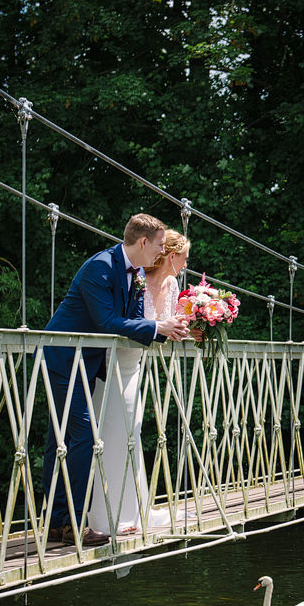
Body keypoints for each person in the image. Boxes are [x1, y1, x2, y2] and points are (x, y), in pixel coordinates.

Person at [41, 214, 188, 547]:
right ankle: (71, 526)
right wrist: (157, 328)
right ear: (143, 242)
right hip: (64, 359)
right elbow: (107, 321)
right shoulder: (101, 267)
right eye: (160, 245)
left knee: (64, 439)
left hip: (87, 362)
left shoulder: (134, 272)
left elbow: (134, 321)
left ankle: (57, 522)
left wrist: (169, 331)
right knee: (75, 438)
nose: (162, 252)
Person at [87, 229, 192, 535]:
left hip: (136, 368)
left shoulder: (172, 285)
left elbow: (168, 330)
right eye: (184, 259)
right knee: (111, 437)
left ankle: (136, 510)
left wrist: (195, 325)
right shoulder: (137, 281)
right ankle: (106, 517)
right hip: (113, 365)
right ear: (171, 256)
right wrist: (161, 327)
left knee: (132, 436)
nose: (186, 265)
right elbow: (123, 323)